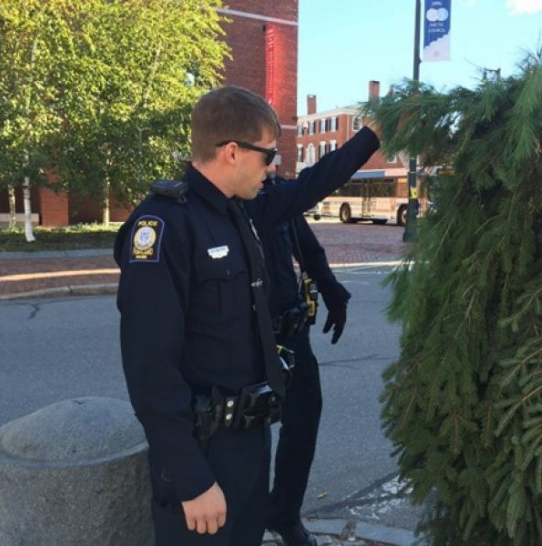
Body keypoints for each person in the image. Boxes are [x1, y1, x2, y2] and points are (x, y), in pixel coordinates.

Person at [114, 85, 379, 546]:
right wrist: (191, 478)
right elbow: (150, 370)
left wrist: (373, 135)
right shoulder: (164, 226)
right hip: (201, 455)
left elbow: (313, 184)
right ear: (232, 152)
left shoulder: (245, 210)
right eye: (268, 155)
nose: (274, 166)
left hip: (250, 444)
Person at [247, 180, 351, 546]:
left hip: (292, 334)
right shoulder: (222, 197)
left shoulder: (275, 194)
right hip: (246, 340)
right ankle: (243, 518)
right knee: (247, 431)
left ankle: (284, 512)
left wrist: (335, 294)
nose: (270, 162)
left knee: (304, 420)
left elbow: (309, 250)